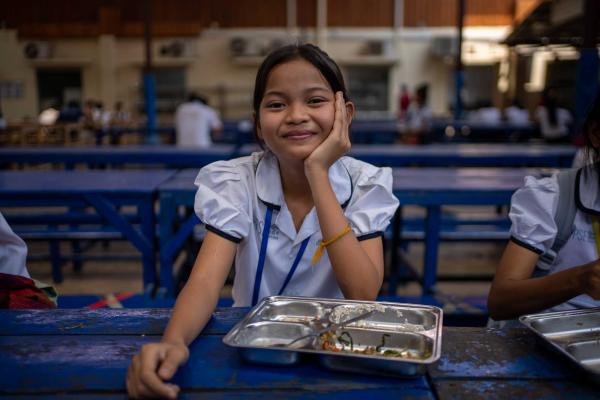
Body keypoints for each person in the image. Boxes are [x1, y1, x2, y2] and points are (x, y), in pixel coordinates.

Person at [127, 43, 399, 398]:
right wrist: (174, 341)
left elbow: (363, 293)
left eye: (315, 101)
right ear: (257, 123)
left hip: (336, 365)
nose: (296, 115)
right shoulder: (236, 181)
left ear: (344, 113)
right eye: (276, 104)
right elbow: (206, 281)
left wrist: (317, 172)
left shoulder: (365, 184)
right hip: (252, 360)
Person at [487, 91, 600, 321]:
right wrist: (580, 279)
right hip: (547, 341)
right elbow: (500, 302)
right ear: (597, 134)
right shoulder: (553, 199)